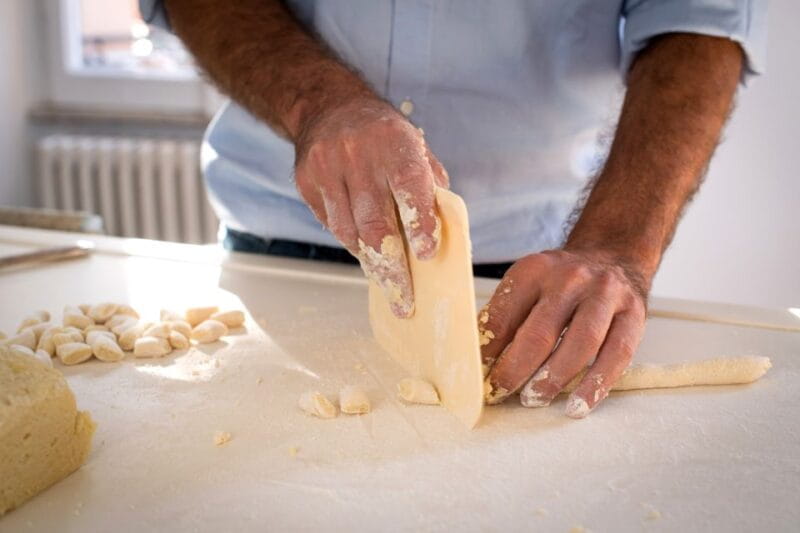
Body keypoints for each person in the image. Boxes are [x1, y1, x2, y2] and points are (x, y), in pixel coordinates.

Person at [141, 0, 765, 418]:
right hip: (274, 247)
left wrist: (618, 244)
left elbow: (700, 22)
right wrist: (317, 105)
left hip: (533, 281)